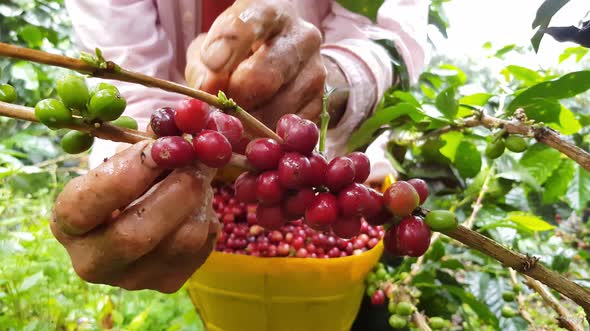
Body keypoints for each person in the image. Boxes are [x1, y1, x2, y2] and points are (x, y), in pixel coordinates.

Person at [54, 0, 429, 293]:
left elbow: (395, 39)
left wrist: (331, 82)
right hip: (204, 208)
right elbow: (129, 82)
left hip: (348, 176)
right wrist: (131, 190)